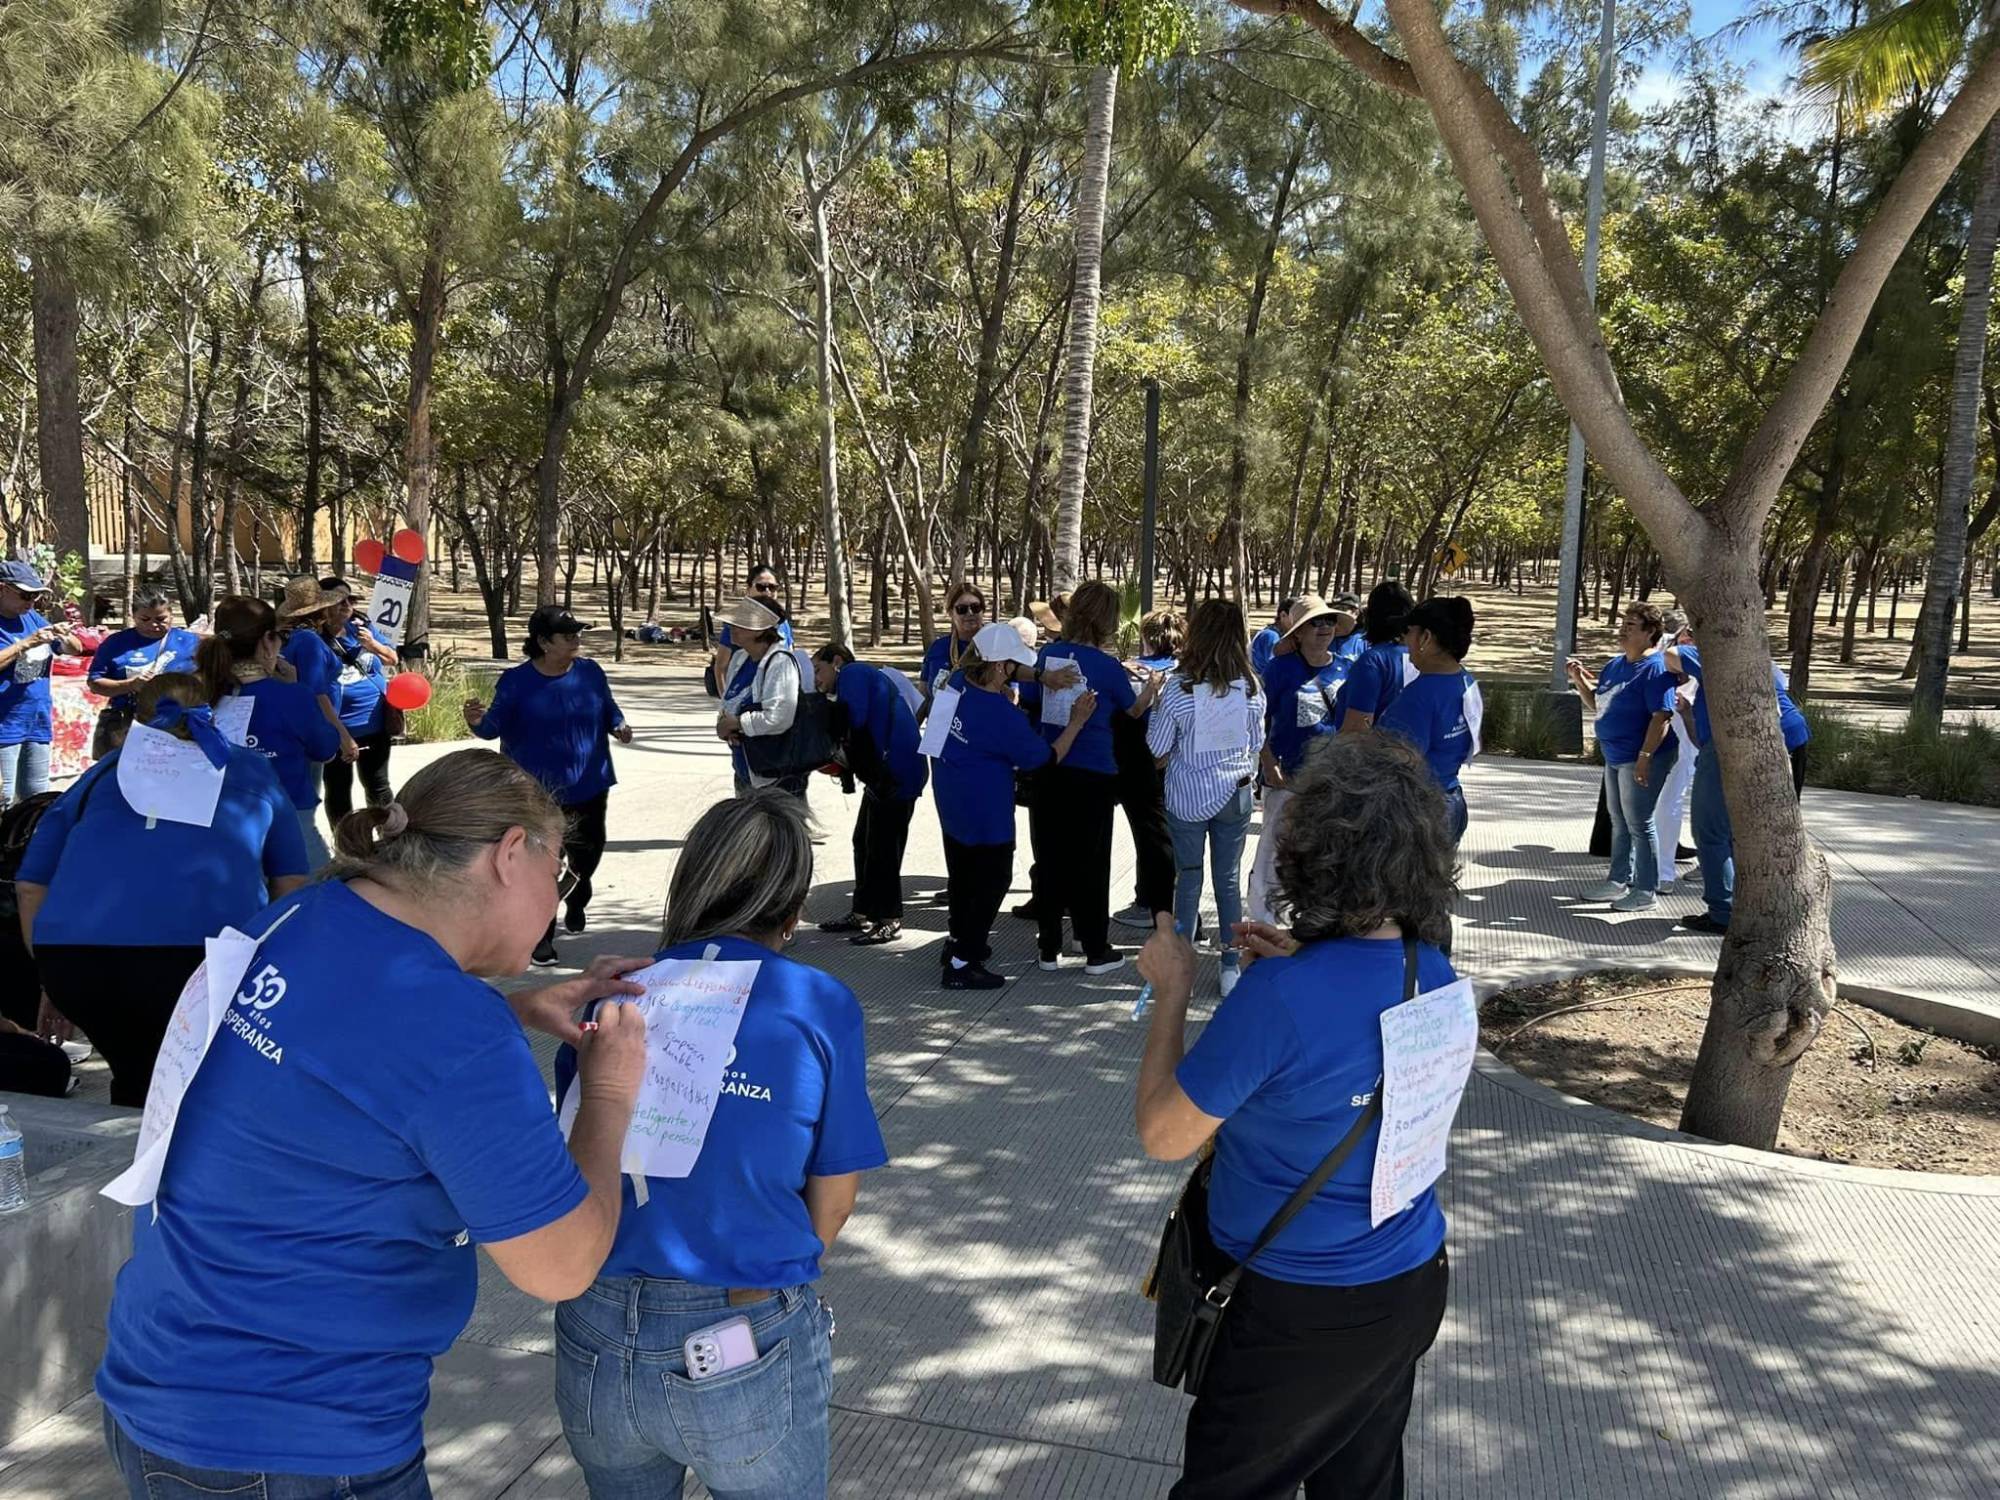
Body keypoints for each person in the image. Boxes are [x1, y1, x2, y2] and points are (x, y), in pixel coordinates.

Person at [94, 749, 652, 1500]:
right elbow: (560, 1265)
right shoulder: (451, 1029)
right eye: (563, 877)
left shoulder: (305, 913)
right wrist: (610, 1090)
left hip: (162, 1384)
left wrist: (518, 1007)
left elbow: (344, 1045)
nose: (557, 902)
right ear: (512, 854)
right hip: (296, 1441)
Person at [1133, 732, 1459, 1499]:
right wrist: (1301, 970)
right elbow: (1364, 1045)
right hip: (1407, 1282)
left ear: (1307, 850)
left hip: (1298, 1311)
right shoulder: (1433, 969)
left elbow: (1163, 1134)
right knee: (1360, 1484)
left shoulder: (1277, 1001)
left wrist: (1174, 990)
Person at [549, 791, 889, 1498]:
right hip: (737, 1322)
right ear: (791, 907)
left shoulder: (611, 993)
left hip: (595, 1321)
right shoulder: (815, 1002)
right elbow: (835, 1197)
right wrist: (766, 1290)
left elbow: (578, 1149)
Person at [16, 675, 311, 1106]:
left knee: (138, 1077)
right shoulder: (248, 768)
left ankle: (132, 1151)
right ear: (209, 711)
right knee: (189, 1087)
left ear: (137, 720)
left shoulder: (102, 773)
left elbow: (29, 886)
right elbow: (291, 881)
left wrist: (48, 971)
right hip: (199, 958)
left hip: (78, 961)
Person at [466, 605, 632, 967]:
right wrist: (476, 722)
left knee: (586, 856)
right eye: (568, 635)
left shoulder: (590, 672)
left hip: (590, 782)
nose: (576, 640)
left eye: (578, 634)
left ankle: (578, 891)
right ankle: (542, 935)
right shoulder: (516, 681)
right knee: (543, 866)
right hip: (535, 794)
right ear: (543, 642)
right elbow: (491, 728)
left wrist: (619, 724)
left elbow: (607, 708)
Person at [933, 625, 1096, 990]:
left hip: (950, 800)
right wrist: (1076, 722)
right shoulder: (1002, 716)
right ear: (998, 668)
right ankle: (963, 963)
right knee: (993, 881)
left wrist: (1041, 676)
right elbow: (1046, 758)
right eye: (1010, 666)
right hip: (986, 813)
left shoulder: (954, 683)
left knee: (961, 877)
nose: (1013, 672)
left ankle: (957, 941)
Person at [1021, 580, 1159, 975]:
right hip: (1094, 773)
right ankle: (1095, 947)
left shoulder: (1048, 656)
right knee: (1090, 861)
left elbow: (1030, 700)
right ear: (1107, 621)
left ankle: (1049, 946)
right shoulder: (1107, 667)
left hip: (1050, 765)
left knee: (1049, 857)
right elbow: (1132, 712)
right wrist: (1150, 689)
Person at [1147, 599, 1264, 998]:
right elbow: (1258, 741)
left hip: (1187, 794)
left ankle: (1181, 966)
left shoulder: (1179, 691)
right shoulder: (1250, 688)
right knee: (1228, 881)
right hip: (1235, 791)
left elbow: (1157, 745)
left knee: (1188, 880)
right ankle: (1230, 964)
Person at [1665, 627, 1811, 935]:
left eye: (1692, 632)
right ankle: (1764, 905)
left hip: (1735, 747)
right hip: (1790, 740)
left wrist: (1683, 650)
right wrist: (1690, 714)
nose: (1687, 640)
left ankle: (1723, 911)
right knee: (1760, 831)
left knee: (1710, 830)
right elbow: (1700, 737)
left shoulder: (1716, 655)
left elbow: (1671, 656)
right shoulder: (1746, 661)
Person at [203, 595, 343, 869]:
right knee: (309, 900)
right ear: (268, 641)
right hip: (288, 816)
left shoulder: (200, 693)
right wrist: (294, 689)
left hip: (219, 818)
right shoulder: (291, 696)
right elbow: (325, 749)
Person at [1567, 600, 1680, 913]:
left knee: (1640, 822)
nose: (1622, 630)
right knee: (1619, 820)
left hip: (1642, 757)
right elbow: (1598, 704)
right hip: (1614, 755)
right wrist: (1579, 680)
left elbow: (1662, 717)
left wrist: (1645, 757)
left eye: (1630, 626)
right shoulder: (1616, 664)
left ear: (1650, 633)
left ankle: (1645, 891)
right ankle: (1618, 881)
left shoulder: (1656, 668)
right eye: (1623, 624)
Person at [813, 643, 928, 944]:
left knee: (884, 849)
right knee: (863, 841)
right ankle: (862, 911)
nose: (817, 678)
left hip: (897, 775)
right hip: (885, 776)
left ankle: (889, 918)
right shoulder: (858, 678)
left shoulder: (854, 672)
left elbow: (854, 720)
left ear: (836, 661)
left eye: (818, 669)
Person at [1248, 594, 1350, 926]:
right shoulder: (1279, 670)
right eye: (1314, 623)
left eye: (1329, 621)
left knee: (1323, 855)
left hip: (1332, 781)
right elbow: (1257, 720)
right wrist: (1268, 763)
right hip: (1288, 779)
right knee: (1274, 855)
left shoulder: (1347, 669)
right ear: (1299, 632)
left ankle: (1313, 923)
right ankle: (1264, 925)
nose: (1324, 628)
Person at [1378, 597, 1480, 843]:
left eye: (1408, 633)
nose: (1404, 641)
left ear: (1425, 638)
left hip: (1419, 811)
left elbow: (1399, 761)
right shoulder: (1465, 680)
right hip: (1451, 799)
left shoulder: (1419, 696)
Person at [1112, 609, 1183, 932]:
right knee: (1172, 836)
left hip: (1138, 763)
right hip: (1180, 764)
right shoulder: (1189, 672)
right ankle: (1166, 898)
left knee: (1150, 838)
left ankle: (1152, 903)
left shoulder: (1130, 672)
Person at [0, 559, 85, 806]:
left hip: (36, 721)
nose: (31, 602)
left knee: (37, 797)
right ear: (3, 589)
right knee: (3, 797)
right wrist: (26, 644)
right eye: (25, 595)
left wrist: (64, 635)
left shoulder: (32, 618)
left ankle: (27, 843)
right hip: (5, 725)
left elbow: (75, 649)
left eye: (35, 596)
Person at [85, 586, 203, 757]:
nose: (154, 625)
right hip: (129, 726)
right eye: (145, 619)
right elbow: (95, 683)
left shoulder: (189, 642)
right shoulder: (116, 644)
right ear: (133, 616)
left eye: (161, 619)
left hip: (181, 727)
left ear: (171, 614)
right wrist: (131, 685)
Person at [713, 596, 811, 799]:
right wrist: (726, 725)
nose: (732, 626)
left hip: (776, 777)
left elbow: (778, 718)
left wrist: (737, 723)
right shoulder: (740, 659)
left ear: (759, 630)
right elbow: (729, 703)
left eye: (741, 622)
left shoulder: (780, 663)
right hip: (746, 771)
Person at [320, 577, 400, 823]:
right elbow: (316, 692)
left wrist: (373, 644)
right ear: (322, 605)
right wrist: (342, 736)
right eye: (338, 600)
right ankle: (348, 848)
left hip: (375, 725)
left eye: (349, 600)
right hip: (337, 729)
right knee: (338, 791)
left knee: (378, 787)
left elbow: (392, 659)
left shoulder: (362, 627)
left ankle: (389, 843)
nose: (345, 605)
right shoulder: (313, 639)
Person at [278, 576, 360, 774]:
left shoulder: (288, 636)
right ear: (320, 609)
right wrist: (344, 737)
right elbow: (317, 694)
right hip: (310, 727)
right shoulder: (309, 641)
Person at [1334, 580, 1417, 734]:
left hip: (1373, 754)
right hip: (1410, 751)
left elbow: (1355, 731)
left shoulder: (1373, 661)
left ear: (1371, 617)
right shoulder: (1421, 656)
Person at [1248, 599, 1297, 682]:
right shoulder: (1271, 636)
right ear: (1283, 615)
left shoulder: (1275, 634)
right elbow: (1281, 671)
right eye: (1297, 617)